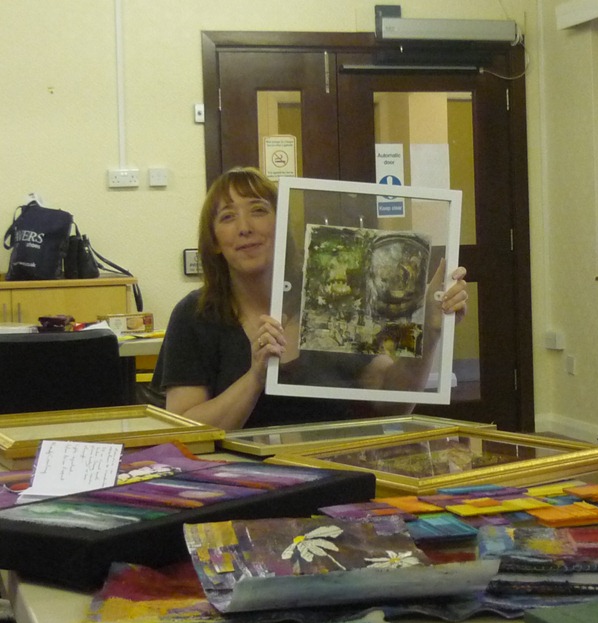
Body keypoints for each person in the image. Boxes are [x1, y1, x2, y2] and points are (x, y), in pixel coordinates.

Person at [151, 167, 468, 430]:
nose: (244, 228)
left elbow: (391, 402)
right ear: (214, 241)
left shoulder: (329, 297)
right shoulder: (195, 315)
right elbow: (184, 429)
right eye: (227, 217)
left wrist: (429, 331)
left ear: (282, 223)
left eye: (258, 210)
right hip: (243, 478)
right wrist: (256, 377)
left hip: (338, 469)